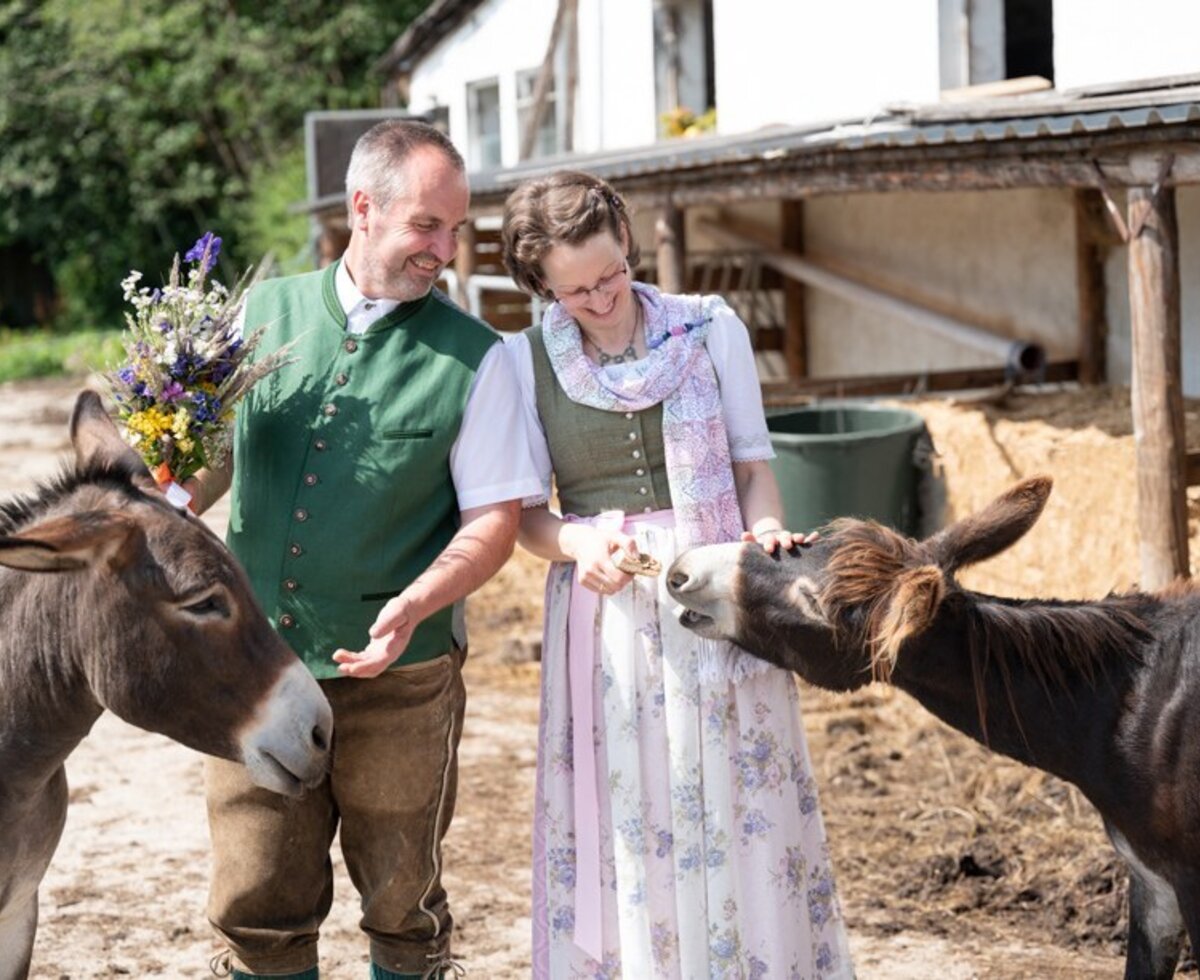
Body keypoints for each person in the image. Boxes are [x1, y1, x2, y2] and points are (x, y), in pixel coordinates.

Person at [185, 120, 543, 980]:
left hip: (404, 682)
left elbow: (493, 520)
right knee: (257, 902)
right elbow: (202, 466)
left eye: (455, 230)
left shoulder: (479, 359)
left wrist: (418, 601)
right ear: (362, 208)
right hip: (258, 671)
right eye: (427, 225)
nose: (445, 251)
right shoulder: (253, 317)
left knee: (403, 908)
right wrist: (158, 493)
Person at [501, 171, 854, 979]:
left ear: (627, 239)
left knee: (739, 802)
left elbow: (752, 471)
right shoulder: (520, 364)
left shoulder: (709, 328)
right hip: (612, 621)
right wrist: (579, 544)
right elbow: (526, 519)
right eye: (577, 291)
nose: (602, 299)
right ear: (542, 287)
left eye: (612, 273)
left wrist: (766, 534)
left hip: (722, 589)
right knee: (637, 808)